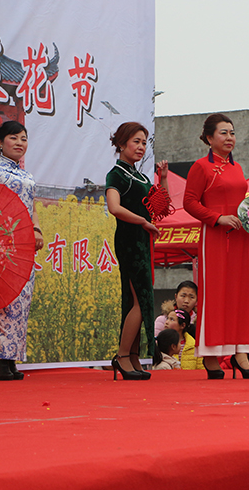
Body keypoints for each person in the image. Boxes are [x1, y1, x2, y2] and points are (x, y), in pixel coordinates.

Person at [183, 113, 249, 380]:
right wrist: (217, 218)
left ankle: (241, 353)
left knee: (241, 292)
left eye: (232, 133)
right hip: (214, 236)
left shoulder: (237, 168)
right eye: (224, 133)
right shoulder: (201, 167)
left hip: (241, 236)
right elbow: (189, 202)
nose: (230, 137)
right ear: (209, 137)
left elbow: (241, 202)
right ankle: (211, 355)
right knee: (215, 293)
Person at [0, 120, 44, 381]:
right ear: (0, 142)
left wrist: (36, 230)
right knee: (4, 300)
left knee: (21, 300)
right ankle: (1, 360)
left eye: (23, 138)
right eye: (13, 138)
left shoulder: (28, 176)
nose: (19, 143)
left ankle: (9, 357)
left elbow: (32, 208)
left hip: (23, 246)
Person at [105, 121, 167, 381]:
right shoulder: (116, 174)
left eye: (144, 143)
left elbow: (160, 207)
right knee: (140, 301)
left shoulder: (141, 177)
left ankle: (132, 356)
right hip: (130, 239)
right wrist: (142, 221)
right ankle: (122, 356)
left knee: (137, 301)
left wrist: (163, 178)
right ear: (121, 144)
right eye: (136, 142)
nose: (141, 147)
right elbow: (114, 207)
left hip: (143, 239)